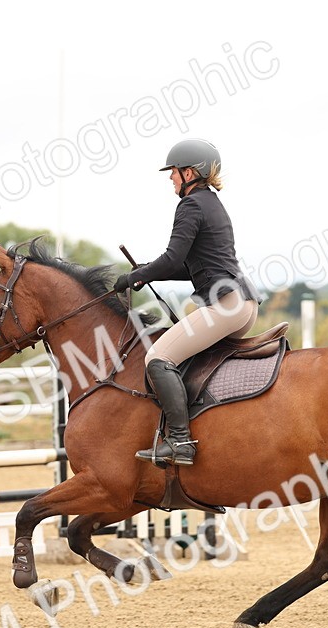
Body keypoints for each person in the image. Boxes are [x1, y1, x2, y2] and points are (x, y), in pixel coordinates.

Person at [113, 138, 260, 467]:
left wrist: (134, 277)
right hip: (242, 304)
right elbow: (189, 267)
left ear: (190, 173)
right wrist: (146, 273)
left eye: (174, 171)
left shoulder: (191, 205)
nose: (170, 177)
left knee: (158, 357)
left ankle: (180, 442)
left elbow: (171, 258)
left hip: (226, 306)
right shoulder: (212, 203)